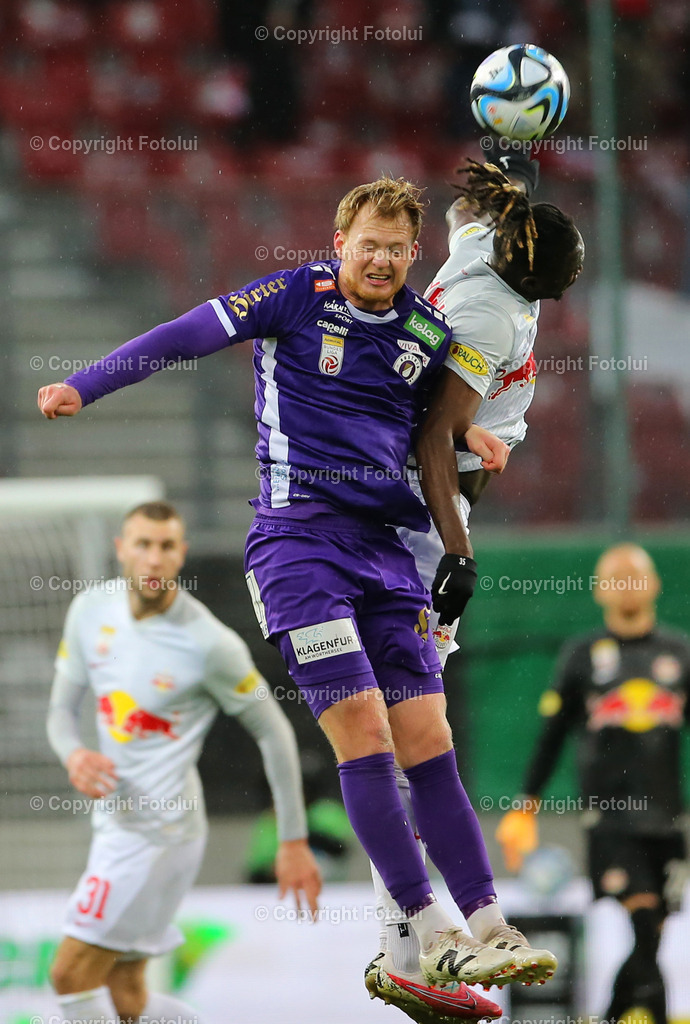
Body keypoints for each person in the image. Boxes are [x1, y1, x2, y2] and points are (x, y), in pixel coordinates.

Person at [38, 175, 558, 1003]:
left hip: (387, 553)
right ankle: (430, 935)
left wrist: (474, 444)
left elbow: (437, 426)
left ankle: (490, 924)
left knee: (428, 737)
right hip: (298, 548)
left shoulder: (425, 331)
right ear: (340, 241)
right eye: (368, 245)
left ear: (412, 255)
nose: (381, 260)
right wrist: (85, 384)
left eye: (396, 249)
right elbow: (183, 335)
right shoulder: (292, 296)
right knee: (365, 734)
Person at [365, 153, 586, 1023]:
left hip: (429, 514)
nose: (575, 276)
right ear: (535, 269)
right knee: (416, 738)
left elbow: (467, 211)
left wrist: (509, 168)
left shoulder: (482, 246)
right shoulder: (493, 314)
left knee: (410, 736)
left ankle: (405, 950)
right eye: (564, 269)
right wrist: (456, 551)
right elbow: (434, 438)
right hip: (424, 528)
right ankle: (406, 952)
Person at [47, 500, 321, 1024]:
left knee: (69, 974)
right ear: (121, 549)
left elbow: (275, 733)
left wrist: (292, 840)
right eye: (143, 544)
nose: (153, 558)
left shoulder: (208, 643)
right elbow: (60, 711)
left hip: (161, 835)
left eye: (166, 546)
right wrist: (74, 753)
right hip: (116, 826)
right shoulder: (89, 611)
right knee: (128, 993)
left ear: (181, 555)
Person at [496, 543, 690, 1024]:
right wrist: (525, 806)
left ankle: (611, 1016)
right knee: (645, 923)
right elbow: (551, 736)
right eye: (615, 576)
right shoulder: (582, 655)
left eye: (636, 574)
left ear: (655, 584)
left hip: (668, 821)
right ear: (601, 589)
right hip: (611, 820)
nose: (626, 582)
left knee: (653, 935)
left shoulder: (679, 654)